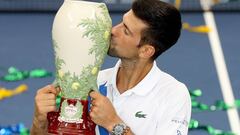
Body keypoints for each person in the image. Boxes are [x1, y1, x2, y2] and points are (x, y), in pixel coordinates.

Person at [31, 0, 191, 134]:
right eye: (122, 22)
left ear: (146, 50)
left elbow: (113, 124)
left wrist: (114, 124)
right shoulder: (90, 81)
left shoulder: (173, 95)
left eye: (126, 31)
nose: (113, 30)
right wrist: (40, 122)